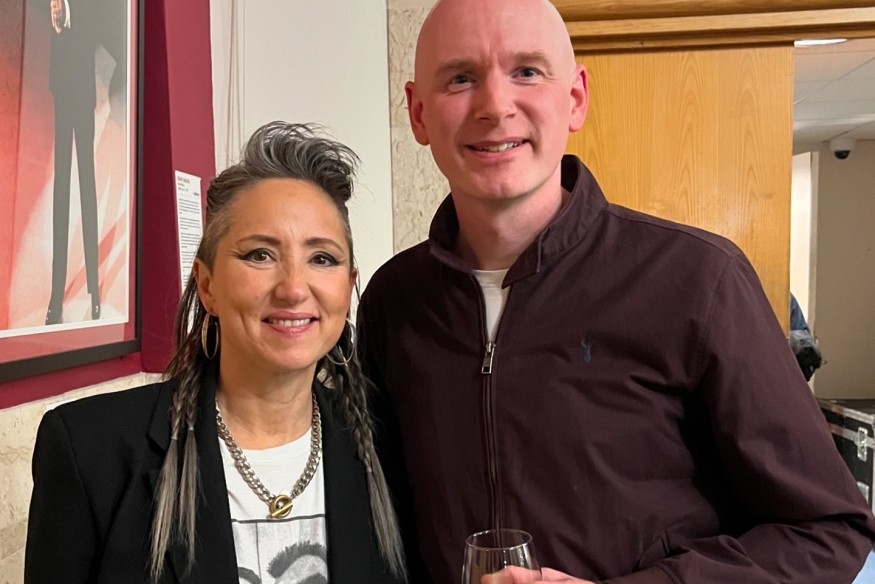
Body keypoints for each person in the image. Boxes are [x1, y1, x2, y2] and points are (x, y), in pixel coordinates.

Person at [357, 1, 875, 583]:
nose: (496, 106)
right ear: (419, 113)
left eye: (526, 71)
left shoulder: (698, 279)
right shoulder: (393, 301)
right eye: (460, 78)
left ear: (575, 98)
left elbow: (828, 530)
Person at [26, 122, 407, 583]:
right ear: (207, 286)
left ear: (347, 287)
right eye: (260, 255)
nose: (293, 288)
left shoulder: (384, 447)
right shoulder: (90, 449)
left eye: (322, 258)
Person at [46, 0, 102, 324]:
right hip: (61, 91)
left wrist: (69, 13)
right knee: (61, 188)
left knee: (86, 184)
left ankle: (94, 289)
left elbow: (97, 25)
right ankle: (56, 296)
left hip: (82, 92)